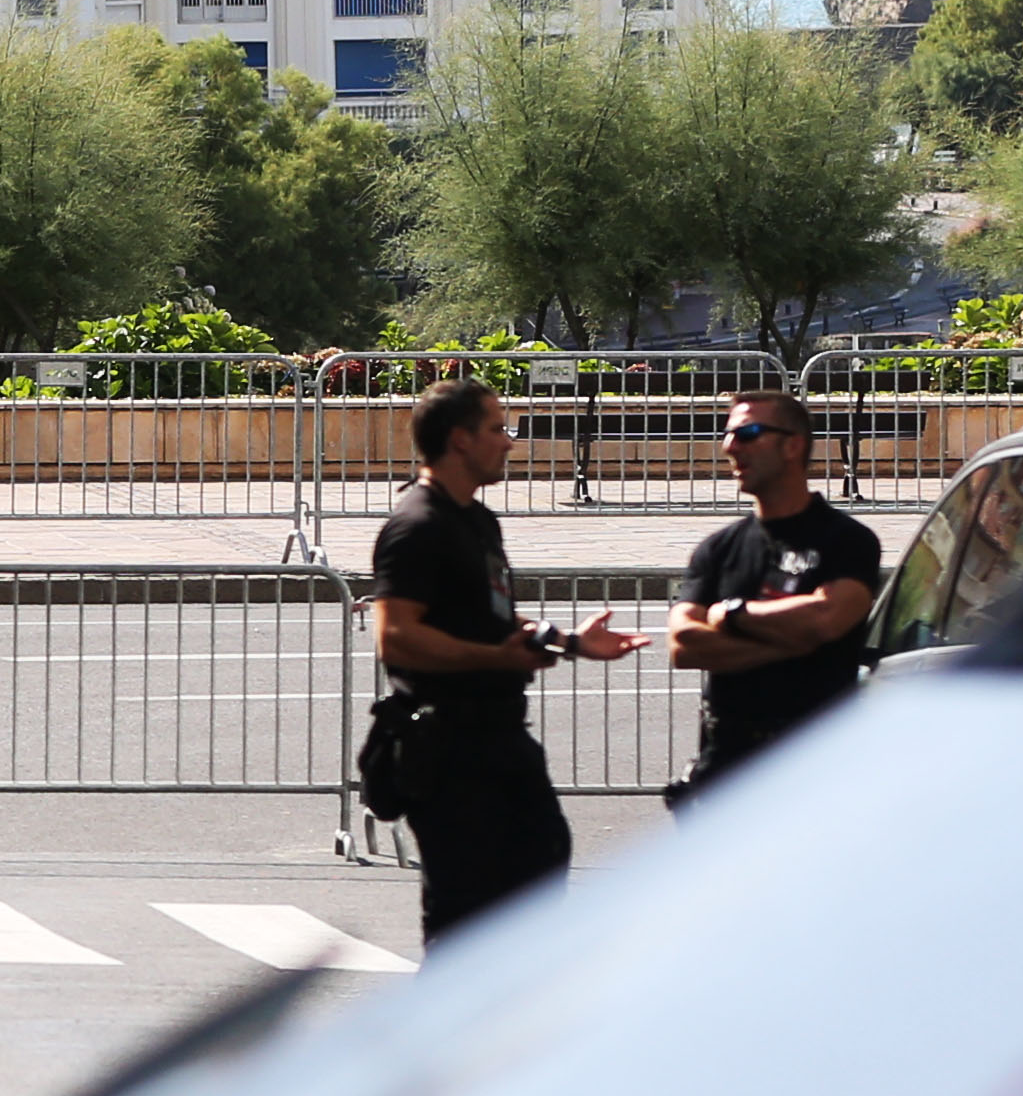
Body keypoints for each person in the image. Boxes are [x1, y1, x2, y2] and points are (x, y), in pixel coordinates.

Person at [366, 377, 640, 942]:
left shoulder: (476, 520)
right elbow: (396, 637)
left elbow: (491, 617)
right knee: (466, 920)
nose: (509, 441)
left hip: (501, 738)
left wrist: (567, 641)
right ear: (460, 439)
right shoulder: (416, 526)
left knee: (541, 866)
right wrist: (495, 656)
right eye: (497, 429)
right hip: (448, 750)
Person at [664, 388, 887, 799]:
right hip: (729, 768)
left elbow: (826, 618)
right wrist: (794, 642)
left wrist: (731, 615)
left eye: (747, 433)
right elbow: (684, 644)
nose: (730, 446)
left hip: (816, 767)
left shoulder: (847, 540)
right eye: (728, 434)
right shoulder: (718, 549)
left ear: (792, 446)